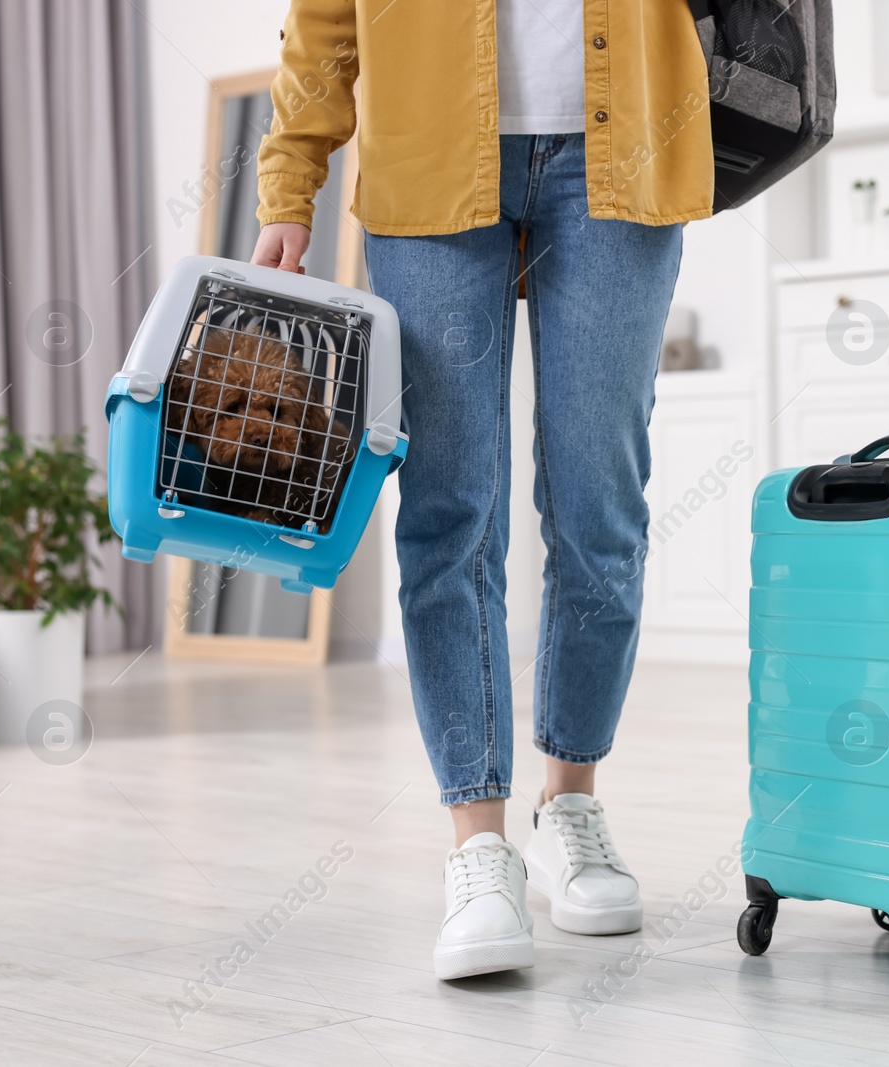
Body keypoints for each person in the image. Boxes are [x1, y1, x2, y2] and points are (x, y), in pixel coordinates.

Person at [251, 0, 713, 980]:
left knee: (603, 500)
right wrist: (289, 185)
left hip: (621, 151)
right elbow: (324, 20)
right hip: (427, 158)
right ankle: (477, 840)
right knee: (448, 510)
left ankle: (569, 802)